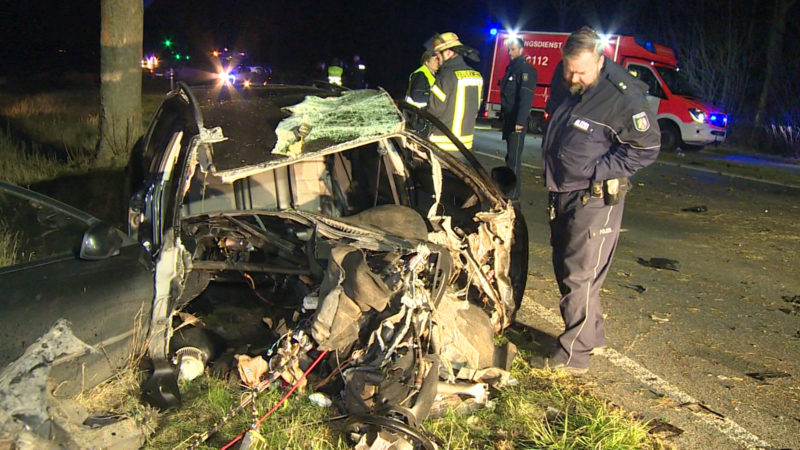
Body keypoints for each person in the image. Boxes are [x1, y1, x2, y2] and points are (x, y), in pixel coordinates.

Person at [541, 27, 661, 374]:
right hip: (563, 191)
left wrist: (597, 170)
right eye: (568, 69)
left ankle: (574, 356)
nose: (572, 77)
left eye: (581, 70)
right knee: (574, 273)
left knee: (578, 276)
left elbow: (646, 148)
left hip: (594, 198)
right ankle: (591, 335)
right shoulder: (568, 80)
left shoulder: (623, 97)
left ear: (600, 58)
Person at [425, 32, 483, 152]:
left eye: (438, 55)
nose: (437, 59)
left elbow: (433, 111)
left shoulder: (445, 76)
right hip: (465, 145)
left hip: (443, 145)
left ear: (448, 52)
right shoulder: (477, 76)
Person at [500, 37, 537, 200]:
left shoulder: (525, 70)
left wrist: (520, 122)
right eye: (509, 49)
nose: (510, 52)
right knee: (510, 158)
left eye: (513, 49)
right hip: (509, 119)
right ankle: (510, 190)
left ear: (521, 50)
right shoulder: (512, 69)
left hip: (516, 121)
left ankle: (513, 194)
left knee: (514, 160)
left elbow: (525, 98)